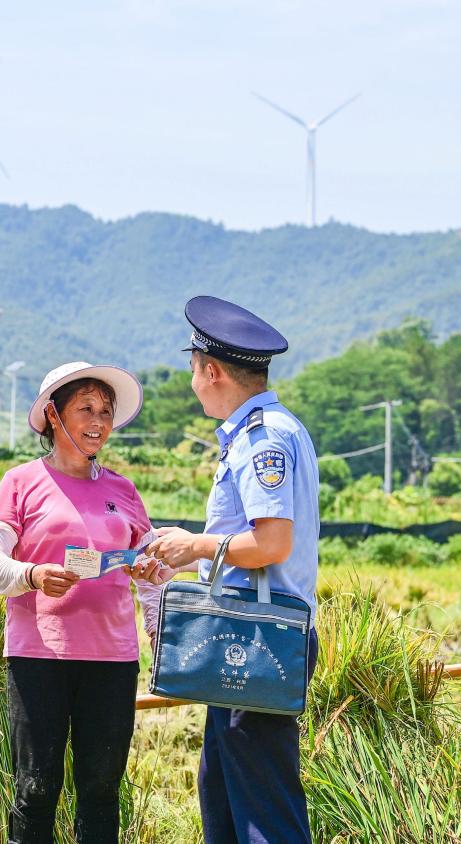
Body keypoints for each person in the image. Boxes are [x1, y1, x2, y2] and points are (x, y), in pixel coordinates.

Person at [144, 296, 320, 844]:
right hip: (248, 634)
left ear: (212, 371)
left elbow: (270, 543)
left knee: (262, 804)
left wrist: (196, 545)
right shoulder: (266, 431)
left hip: (258, 635)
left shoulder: (263, 440)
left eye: (194, 369)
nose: (193, 381)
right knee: (224, 793)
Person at [0, 361, 171, 844]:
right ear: (52, 416)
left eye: (106, 410)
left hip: (112, 660)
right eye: (85, 408)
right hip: (39, 657)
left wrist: (156, 604)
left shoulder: (123, 490)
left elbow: (150, 574)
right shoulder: (20, 483)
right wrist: (33, 574)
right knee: (37, 788)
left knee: (102, 790)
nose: (99, 421)